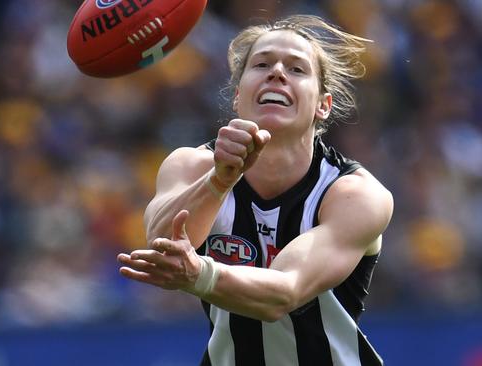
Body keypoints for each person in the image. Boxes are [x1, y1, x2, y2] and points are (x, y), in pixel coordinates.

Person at [117, 14, 394, 365]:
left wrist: (200, 275)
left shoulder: (355, 194)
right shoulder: (191, 165)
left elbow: (283, 294)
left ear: (323, 106)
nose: (276, 72)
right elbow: (164, 240)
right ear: (237, 96)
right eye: (262, 64)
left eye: (296, 69)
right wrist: (218, 182)